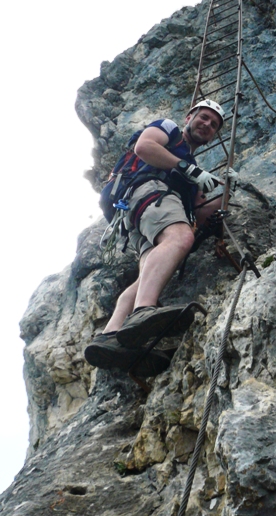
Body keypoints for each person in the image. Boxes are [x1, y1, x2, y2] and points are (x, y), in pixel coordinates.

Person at [84, 99, 237, 379]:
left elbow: (200, 214)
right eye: (203, 118)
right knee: (179, 238)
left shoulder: (189, 166)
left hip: (135, 213)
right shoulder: (169, 130)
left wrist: (227, 190)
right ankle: (144, 310)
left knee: (148, 272)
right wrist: (189, 169)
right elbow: (145, 147)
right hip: (148, 191)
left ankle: (111, 335)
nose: (207, 124)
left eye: (214, 125)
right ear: (189, 116)